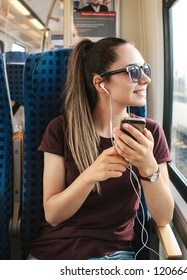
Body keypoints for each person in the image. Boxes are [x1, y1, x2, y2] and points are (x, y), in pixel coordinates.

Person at [28, 37, 174, 260]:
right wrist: (90, 176)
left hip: (114, 255)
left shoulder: (150, 134)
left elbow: (163, 218)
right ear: (100, 83)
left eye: (145, 69)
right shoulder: (61, 129)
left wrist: (148, 166)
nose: (145, 79)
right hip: (56, 251)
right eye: (133, 71)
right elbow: (53, 215)